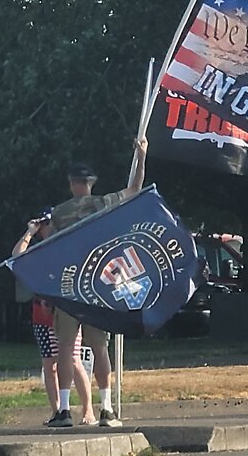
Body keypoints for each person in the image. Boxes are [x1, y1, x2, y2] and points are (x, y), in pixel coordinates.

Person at [47, 137, 148, 428]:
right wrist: (141, 156)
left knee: (66, 349)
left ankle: (64, 409)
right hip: (97, 286)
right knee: (100, 348)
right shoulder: (103, 203)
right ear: (91, 182)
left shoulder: (59, 212)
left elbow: (49, 246)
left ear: (71, 183)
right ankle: (106, 408)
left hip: (67, 286)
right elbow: (135, 189)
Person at [11, 217, 95, 426]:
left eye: (48, 223)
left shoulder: (66, 246)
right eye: (43, 224)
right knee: (50, 364)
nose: (45, 228)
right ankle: (57, 411)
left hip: (66, 313)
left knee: (74, 359)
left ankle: (88, 411)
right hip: (42, 315)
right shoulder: (38, 250)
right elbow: (16, 257)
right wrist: (29, 233)